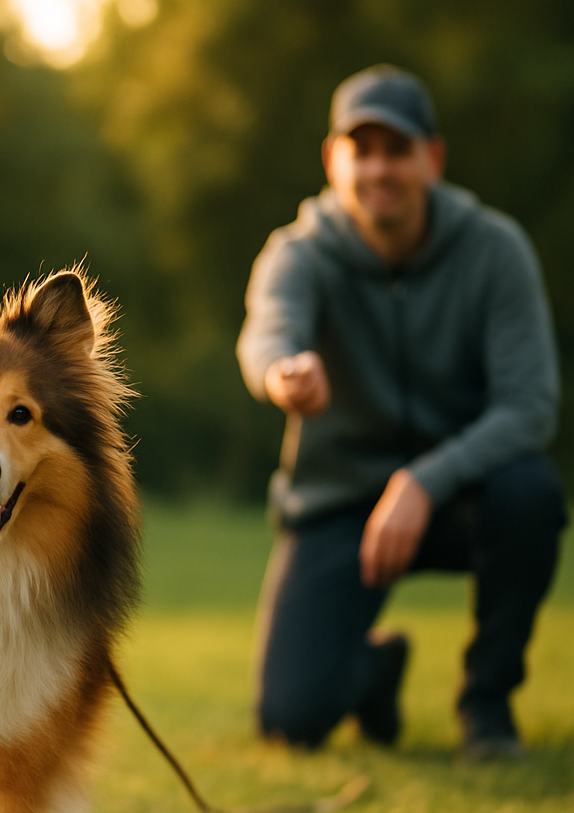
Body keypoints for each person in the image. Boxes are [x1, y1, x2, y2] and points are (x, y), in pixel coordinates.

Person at [236, 64, 566, 759]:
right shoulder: (299, 252)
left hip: (461, 497)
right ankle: (376, 671)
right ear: (332, 160)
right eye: (362, 150)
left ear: (432, 159)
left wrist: (424, 481)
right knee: (290, 719)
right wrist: (282, 372)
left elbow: (532, 405)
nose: (379, 168)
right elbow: (267, 331)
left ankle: (487, 704)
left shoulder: (494, 249)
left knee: (531, 492)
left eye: (397, 149)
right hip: (339, 503)